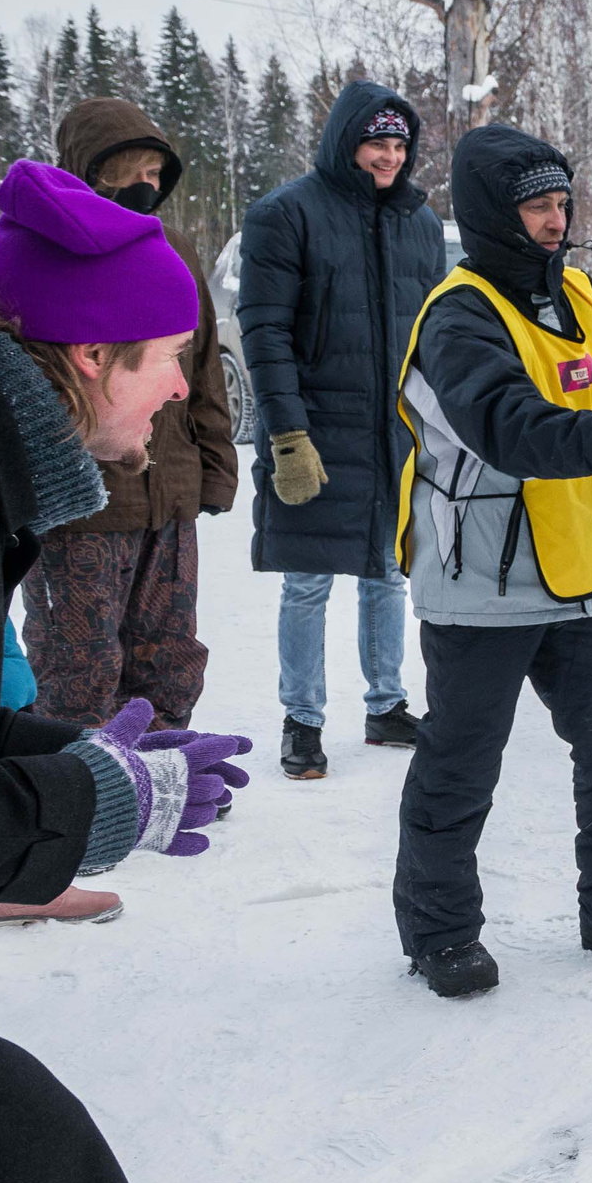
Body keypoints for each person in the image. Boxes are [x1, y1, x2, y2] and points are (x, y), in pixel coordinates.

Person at [0, 160, 250, 1183]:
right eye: (165, 354)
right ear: (88, 355)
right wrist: (92, 798)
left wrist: (77, 753)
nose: (184, 384)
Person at [389, 124, 592, 999]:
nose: (555, 219)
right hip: (482, 581)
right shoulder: (457, 317)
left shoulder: (577, 294)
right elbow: (511, 426)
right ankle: (439, 932)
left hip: (578, 572)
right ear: (493, 216)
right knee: (462, 763)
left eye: (561, 201)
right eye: (537, 205)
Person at [0, 100, 235, 931]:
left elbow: (202, 374)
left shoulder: (178, 253)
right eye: (125, 166)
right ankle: (42, 839)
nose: (144, 179)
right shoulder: (50, 255)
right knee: (77, 658)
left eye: (154, 168)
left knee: (169, 647)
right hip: (82, 506)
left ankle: (157, 784)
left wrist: (213, 460)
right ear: (85, 168)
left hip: (166, 493)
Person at [238, 81, 444, 780]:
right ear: (344, 142)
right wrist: (286, 436)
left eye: (398, 144)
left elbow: (431, 337)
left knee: (387, 574)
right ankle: (302, 720)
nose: (388, 155)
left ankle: (386, 704)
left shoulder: (417, 222)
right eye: (375, 141)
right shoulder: (286, 214)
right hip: (320, 431)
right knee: (308, 583)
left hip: (394, 435)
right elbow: (265, 333)